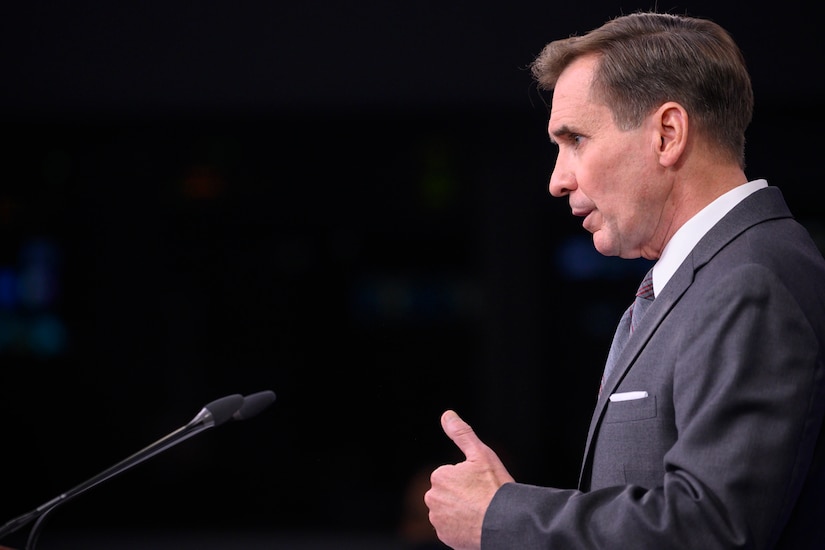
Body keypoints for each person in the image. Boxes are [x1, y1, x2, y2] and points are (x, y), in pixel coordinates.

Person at [424, 11, 825, 549]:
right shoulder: (711, 277)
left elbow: (712, 529)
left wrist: (502, 517)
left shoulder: (750, 282)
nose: (557, 180)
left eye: (576, 140)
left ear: (667, 134)